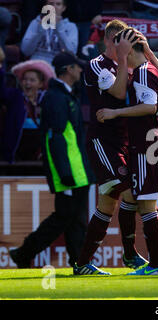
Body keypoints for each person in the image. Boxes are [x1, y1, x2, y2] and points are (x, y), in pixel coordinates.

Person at [74, 21, 158, 275]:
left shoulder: (137, 65)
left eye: (127, 40)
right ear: (109, 40)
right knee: (132, 196)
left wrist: (146, 52)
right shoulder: (98, 65)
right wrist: (126, 58)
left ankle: (87, 263)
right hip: (103, 142)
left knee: (119, 201)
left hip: (129, 140)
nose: (123, 45)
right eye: (119, 40)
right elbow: (117, 93)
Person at [96, 27, 158, 275]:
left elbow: (149, 107)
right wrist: (150, 53)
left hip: (144, 145)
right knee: (138, 201)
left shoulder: (141, 73)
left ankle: (155, 265)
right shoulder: (148, 68)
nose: (118, 53)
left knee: (148, 207)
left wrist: (115, 112)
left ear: (128, 49)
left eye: (120, 48)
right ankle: (153, 259)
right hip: (147, 143)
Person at [9, 51, 95, 268]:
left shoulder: (62, 95)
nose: (80, 70)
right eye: (77, 67)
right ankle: (25, 252)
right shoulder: (57, 98)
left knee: (74, 220)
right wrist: (64, 171)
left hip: (76, 170)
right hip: (69, 172)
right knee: (65, 218)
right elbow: (54, 137)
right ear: (68, 70)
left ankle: (79, 262)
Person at [3, 60, 56, 162]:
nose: (27, 83)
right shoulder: (16, 96)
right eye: (25, 79)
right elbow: (2, 93)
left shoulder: (47, 99)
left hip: (41, 148)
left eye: (32, 80)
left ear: (40, 84)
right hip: (19, 147)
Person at [20, 0, 79, 65]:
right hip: (36, 62)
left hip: (58, 65)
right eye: (51, 4)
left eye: (58, 4)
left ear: (63, 8)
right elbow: (26, 51)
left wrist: (59, 29)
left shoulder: (71, 26)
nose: (54, 7)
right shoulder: (35, 22)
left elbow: (71, 53)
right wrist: (40, 30)